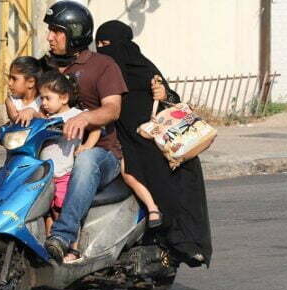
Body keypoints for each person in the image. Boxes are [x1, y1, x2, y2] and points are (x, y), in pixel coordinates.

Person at [95, 20, 212, 266]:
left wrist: (164, 95)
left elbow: (173, 101)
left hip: (154, 136)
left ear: (124, 44)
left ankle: (187, 242)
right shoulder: (102, 69)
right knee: (138, 166)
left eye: (109, 44)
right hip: (122, 137)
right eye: (100, 44)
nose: (105, 49)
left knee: (184, 171)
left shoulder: (143, 67)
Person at [39, 1, 128, 263]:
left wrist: (86, 116)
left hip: (102, 151)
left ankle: (63, 235)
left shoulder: (103, 64)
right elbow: (33, 101)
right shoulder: (47, 66)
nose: (49, 37)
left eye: (56, 31)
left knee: (86, 161)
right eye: (50, 30)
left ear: (75, 33)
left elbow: (113, 109)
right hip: (53, 147)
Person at [37, 70, 102, 242]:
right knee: (47, 212)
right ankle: (51, 245)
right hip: (47, 175)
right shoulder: (46, 119)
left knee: (63, 211)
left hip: (64, 174)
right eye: (41, 98)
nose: (43, 103)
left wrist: (87, 146)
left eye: (47, 98)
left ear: (64, 98)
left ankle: (71, 246)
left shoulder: (76, 115)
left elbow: (96, 128)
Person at [0, 56, 45, 143]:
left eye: (14, 79)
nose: (9, 83)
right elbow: (16, 121)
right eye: (9, 78)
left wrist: (32, 112)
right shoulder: (11, 101)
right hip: (16, 147)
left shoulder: (43, 100)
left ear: (30, 82)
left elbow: (45, 119)